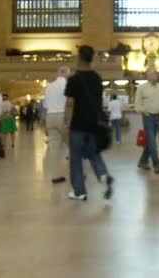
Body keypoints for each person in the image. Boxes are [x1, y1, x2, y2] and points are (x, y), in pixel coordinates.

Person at [63, 45, 114, 201]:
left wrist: (67, 124)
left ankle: (79, 191)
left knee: (76, 157)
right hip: (94, 124)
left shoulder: (73, 79)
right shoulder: (97, 78)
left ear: (79, 58)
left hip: (78, 124)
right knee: (93, 152)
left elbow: (70, 104)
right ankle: (104, 175)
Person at [135, 69, 159, 174]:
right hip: (148, 117)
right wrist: (142, 111)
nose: (155, 75)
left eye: (155, 73)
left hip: (158, 117)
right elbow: (137, 103)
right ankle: (156, 164)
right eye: (152, 74)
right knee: (152, 141)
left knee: (151, 141)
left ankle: (142, 161)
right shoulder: (141, 88)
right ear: (147, 77)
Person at [45, 66, 70, 184]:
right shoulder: (67, 85)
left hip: (50, 117)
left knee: (54, 148)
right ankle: (78, 173)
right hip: (62, 116)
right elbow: (70, 103)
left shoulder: (49, 86)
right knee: (73, 145)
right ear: (66, 73)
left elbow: (45, 106)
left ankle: (55, 176)